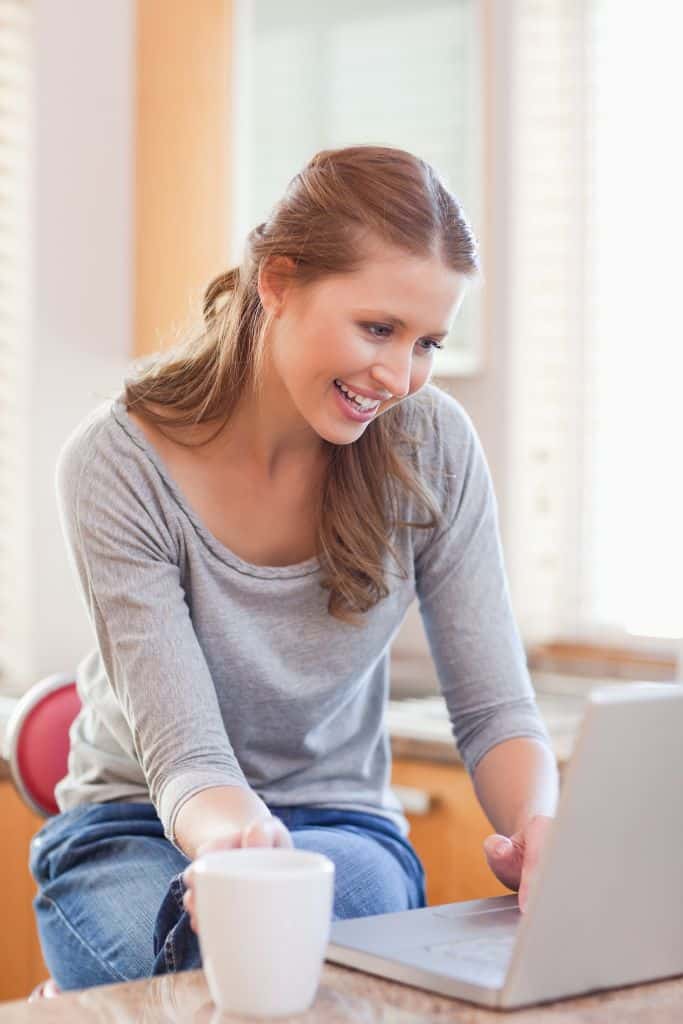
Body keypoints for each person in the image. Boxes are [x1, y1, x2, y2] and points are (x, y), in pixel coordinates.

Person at [29, 145, 558, 993]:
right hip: (136, 822)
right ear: (276, 284)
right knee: (216, 959)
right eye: (377, 328)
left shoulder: (430, 442)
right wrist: (239, 850)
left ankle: (99, 1009)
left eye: (426, 341)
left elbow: (495, 707)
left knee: (303, 942)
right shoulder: (118, 463)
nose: (399, 374)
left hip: (337, 824)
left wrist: (539, 829)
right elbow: (186, 757)